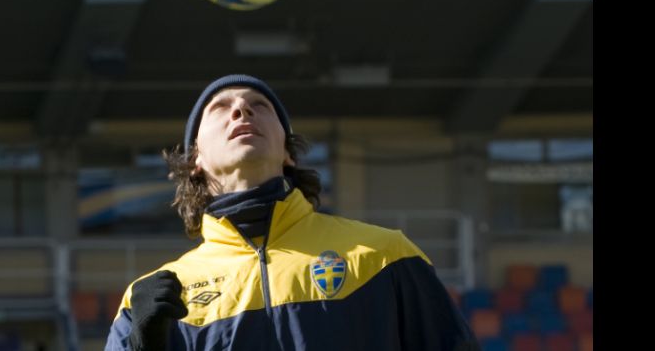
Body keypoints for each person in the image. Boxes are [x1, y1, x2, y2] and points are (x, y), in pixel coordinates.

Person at [105, 74, 479, 351]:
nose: (241, 109)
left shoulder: (386, 257)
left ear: (288, 152)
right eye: (221, 107)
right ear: (196, 159)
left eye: (260, 106)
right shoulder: (155, 298)